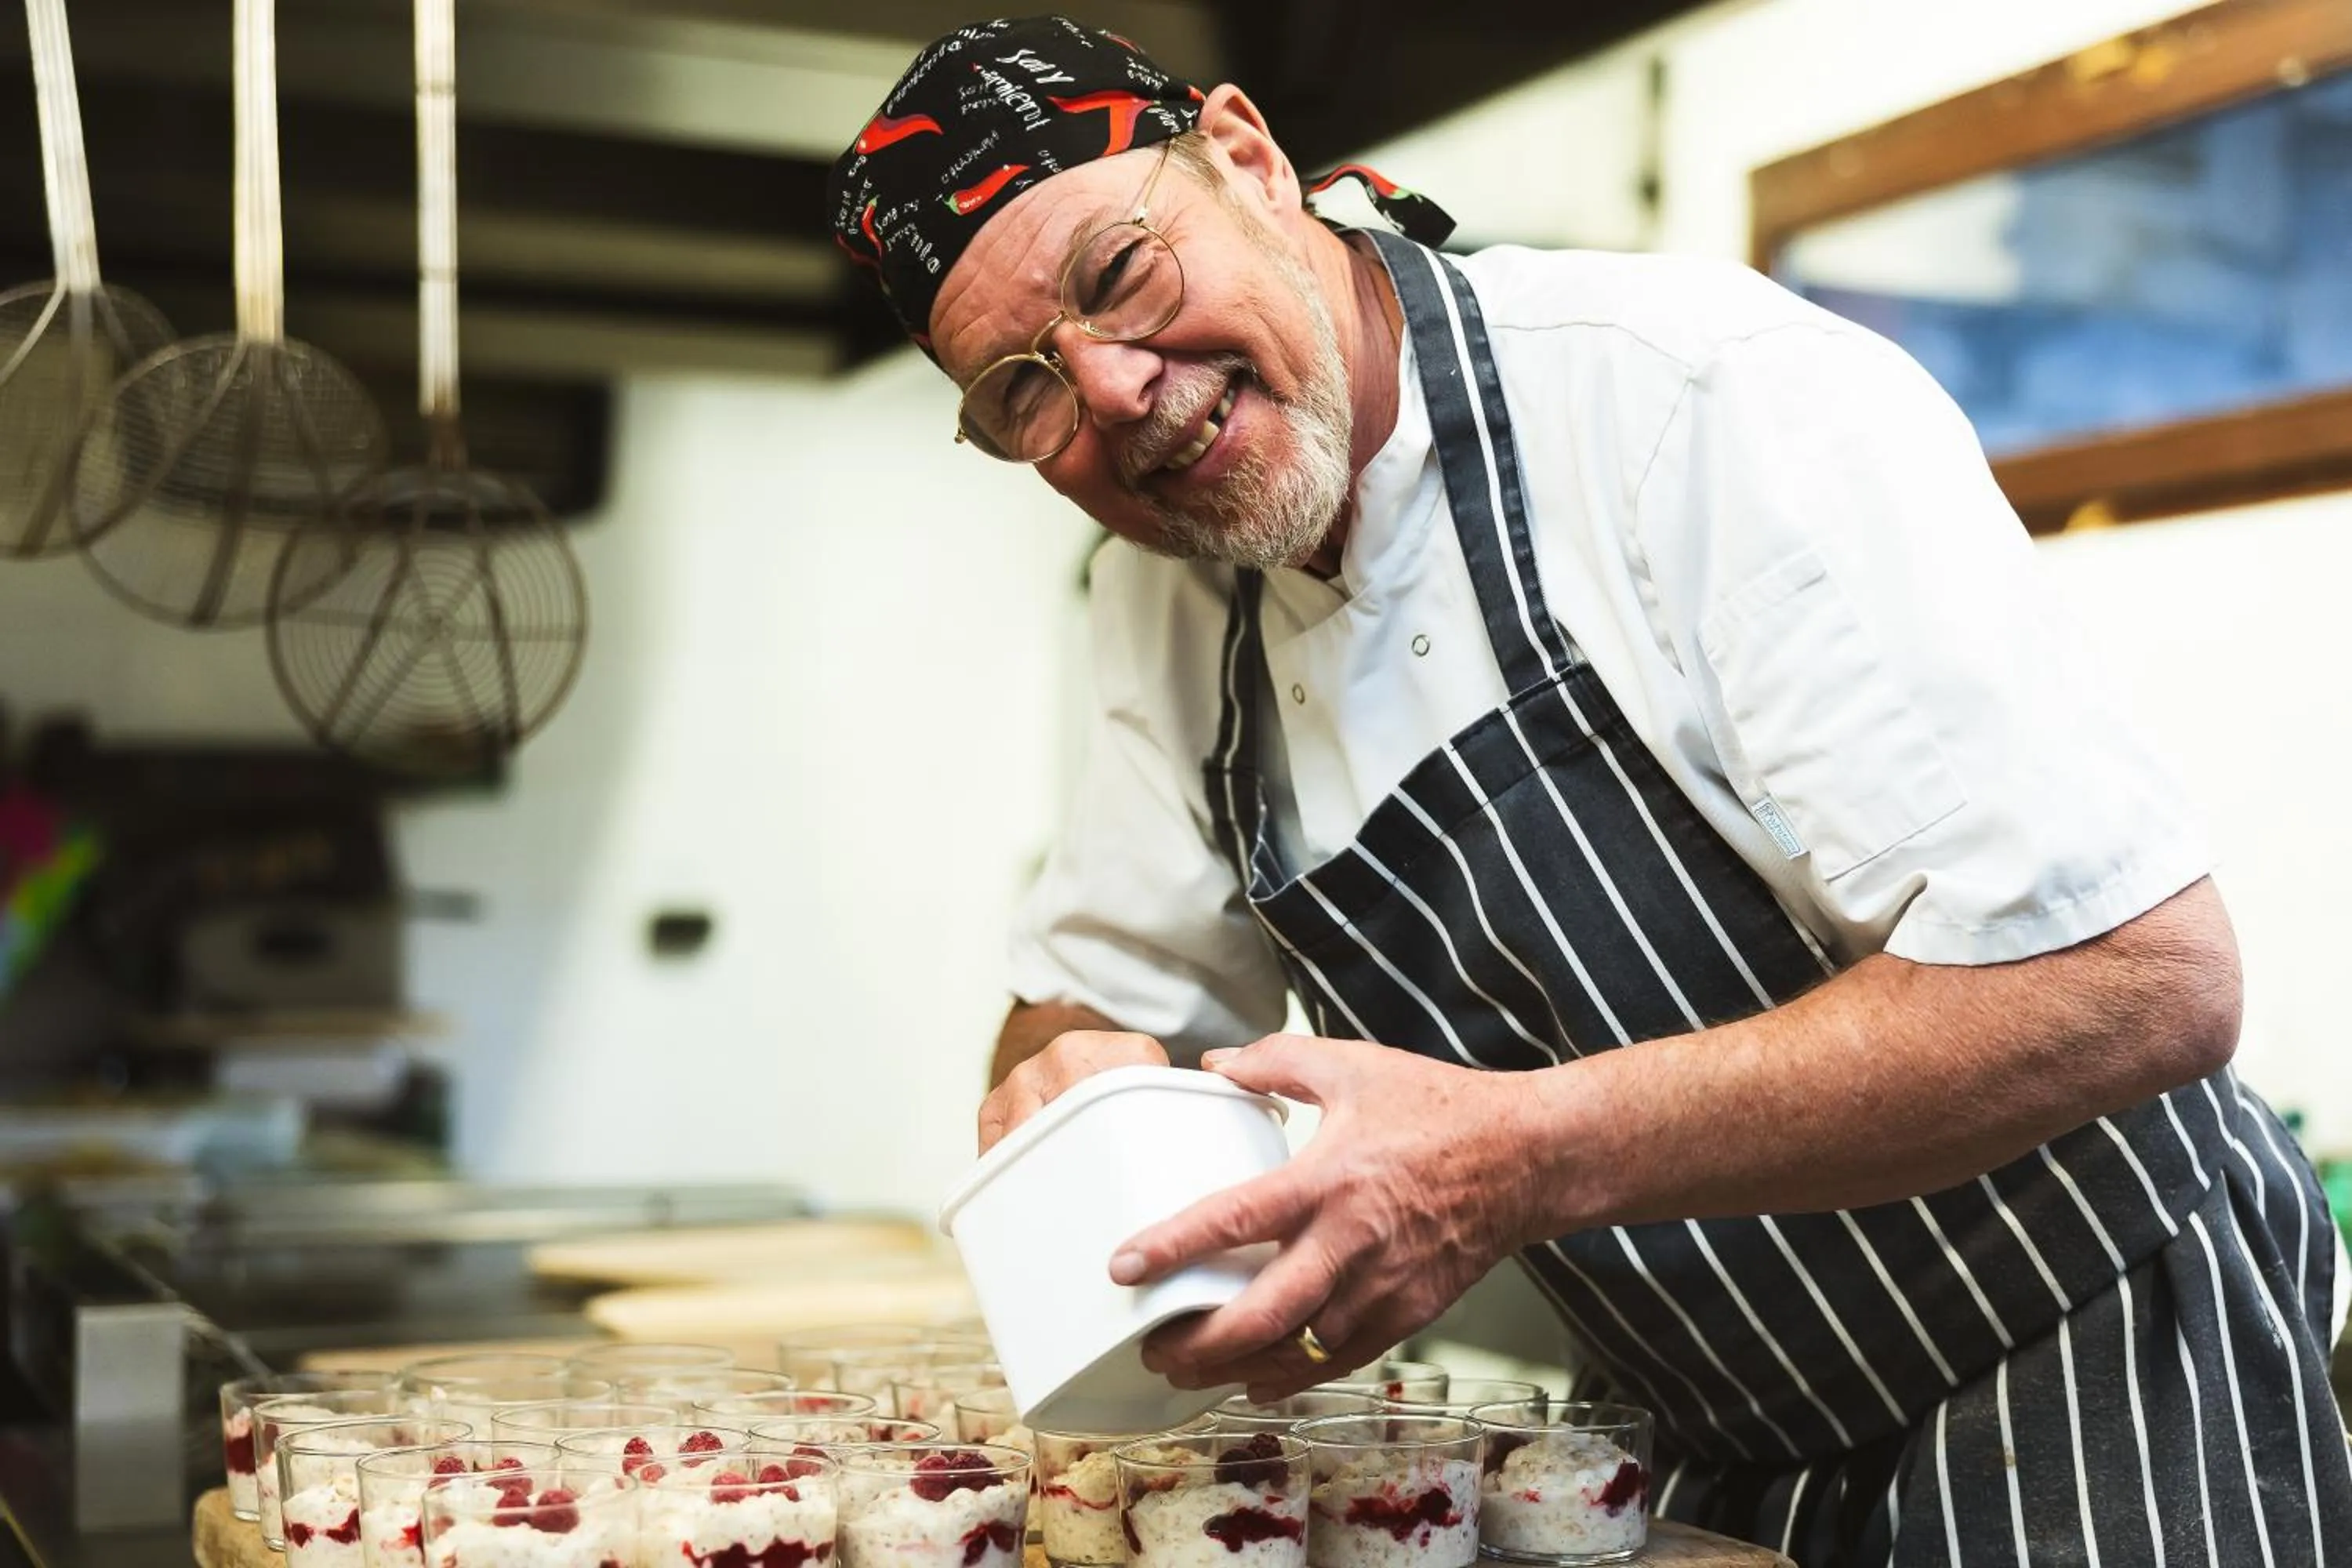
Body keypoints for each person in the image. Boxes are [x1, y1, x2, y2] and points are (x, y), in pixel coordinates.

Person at [830, 17, 2351, 1563]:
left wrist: (1516, 1157)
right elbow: (1088, 1006)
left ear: (1247, 156)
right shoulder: (1165, 610)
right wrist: (1064, 1072)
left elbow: (2142, 984)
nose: (1115, 391)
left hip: (2083, 1364)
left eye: (1118, 274)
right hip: (1697, 1424)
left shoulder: (1689, 398)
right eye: (1021, 393)